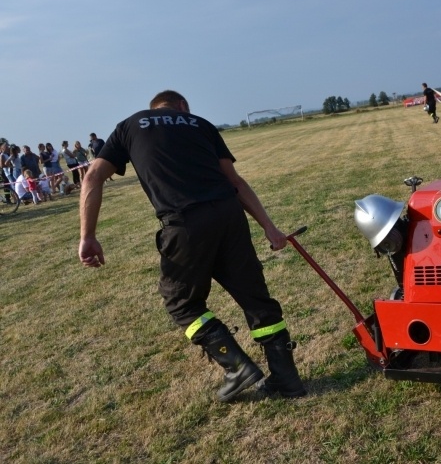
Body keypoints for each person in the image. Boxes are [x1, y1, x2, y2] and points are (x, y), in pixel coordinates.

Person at [78, 90, 306, 402]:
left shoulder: (130, 126)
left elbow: (92, 177)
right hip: (229, 215)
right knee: (255, 298)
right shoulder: (200, 124)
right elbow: (235, 181)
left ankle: (236, 366)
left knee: (181, 303)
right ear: (182, 106)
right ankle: (287, 379)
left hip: (185, 223)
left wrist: (88, 236)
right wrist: (269, 227)